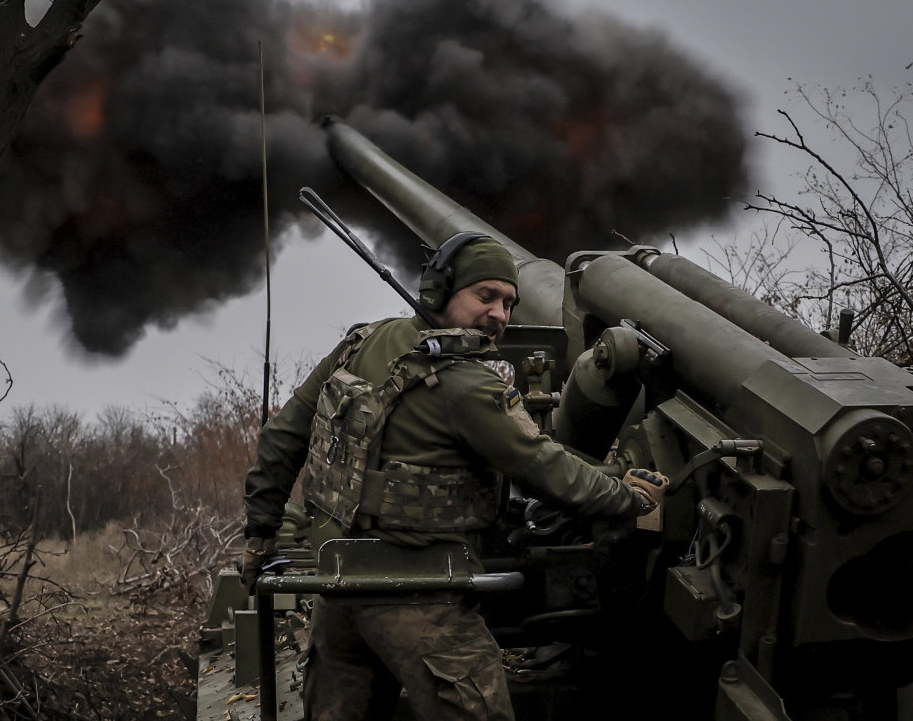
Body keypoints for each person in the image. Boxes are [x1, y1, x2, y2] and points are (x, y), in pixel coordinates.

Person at [240, 232, 662, 721]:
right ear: (438, 293)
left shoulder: (359, 343)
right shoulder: (467, 384)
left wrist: (260, 535)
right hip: (422, 598)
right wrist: (630, 497)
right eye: (486, 296)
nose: (500, 314)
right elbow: (548, 471)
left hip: (339, 590)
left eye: (508, 302)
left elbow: (280, 439)